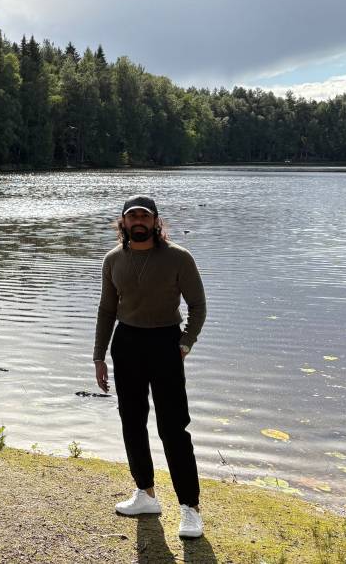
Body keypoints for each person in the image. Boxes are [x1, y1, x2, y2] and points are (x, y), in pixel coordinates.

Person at [93, 194, 207, 539]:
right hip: (126, 344)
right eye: (132, 217)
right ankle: (145, 493)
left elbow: (198, 307)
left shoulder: (178, 258)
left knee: (173, 427)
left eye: (144, 216)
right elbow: (106, 311)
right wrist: (99, 356)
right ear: (123, 222)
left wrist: (186, 342)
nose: (138, 221)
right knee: (132, 421)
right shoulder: (113, 260)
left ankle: (190, 508)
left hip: (166, 344)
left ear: (156, 222)